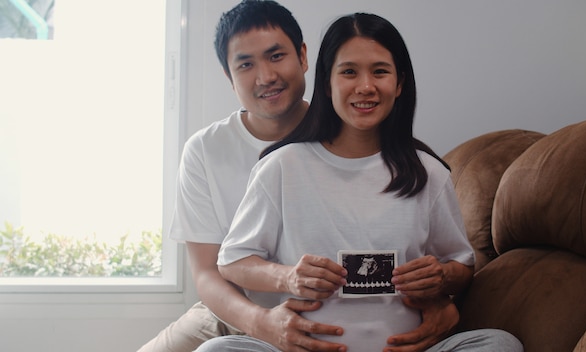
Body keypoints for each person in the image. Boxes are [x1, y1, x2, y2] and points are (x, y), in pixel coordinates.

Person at [138, 2, 462, 352]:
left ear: (305, 58)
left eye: (276, 56)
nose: (265, 77)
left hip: (353, 323)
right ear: (228, 75)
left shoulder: (382, 147)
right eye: (245, 64)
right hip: (235, 309)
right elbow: (209, 271)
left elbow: (447, 259)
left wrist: (444, 299)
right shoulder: (213, 151)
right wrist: (264, 321)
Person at [194, 12, 523, 352]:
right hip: (306, 348)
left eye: (380, 71)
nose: (365, 86)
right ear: (327, 83)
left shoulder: (429, 173)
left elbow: (462, 266)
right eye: (349, 72)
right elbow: (232, 262)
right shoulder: (281, 167)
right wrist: (288, 276)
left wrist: (442, 277)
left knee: (500, 344)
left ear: (399, 84)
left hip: (403, 347)